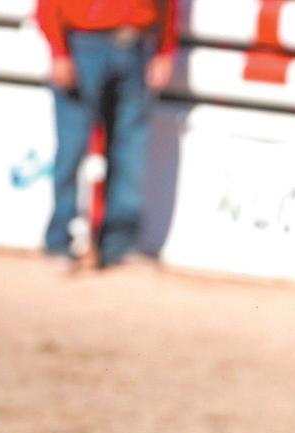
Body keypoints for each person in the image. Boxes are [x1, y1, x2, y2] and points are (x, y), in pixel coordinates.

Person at [36, 0, 176, 269]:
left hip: (137, 45)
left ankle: (120, 245)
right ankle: (59, 242)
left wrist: (165, 50)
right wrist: (59, 52)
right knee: (72, 147)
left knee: (131, 151)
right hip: (83, 42)